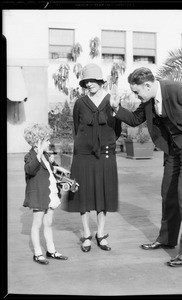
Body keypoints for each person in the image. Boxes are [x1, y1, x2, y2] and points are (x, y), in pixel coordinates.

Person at [110, 67, 182, 267]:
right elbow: (135, 120)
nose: (136, 95)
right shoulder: (148, 100)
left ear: (148, 85)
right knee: (168, 193)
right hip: (173, 149)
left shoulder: (178, 90)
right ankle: (167, 239)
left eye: (136, 91)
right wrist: (116, 108)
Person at [63, 63, 122, 252]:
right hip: (83, 155)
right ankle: (87, 234)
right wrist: (80, 149)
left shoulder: (110, 100)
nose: (89, 84)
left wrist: (108, 142)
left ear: (100, 81)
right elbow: (75, 128)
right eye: (86, 81)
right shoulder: (80, 103)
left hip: (105, 154)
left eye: (93, 80)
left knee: (103, 193)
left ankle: (101, 233)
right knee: (83, 193)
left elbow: (117, 127)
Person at [23, 123, 78, 265]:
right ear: (38, 141)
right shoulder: (30, 156)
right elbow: (30, 170)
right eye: (46, 140)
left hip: (49, 194)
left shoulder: (47, 156)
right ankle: (37, 253)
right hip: (38, 195)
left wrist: (56, 167)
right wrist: (39, 154)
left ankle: (51, 250)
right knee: (37, 224)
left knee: (48, 223)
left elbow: (50, 170)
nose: (49, 142)